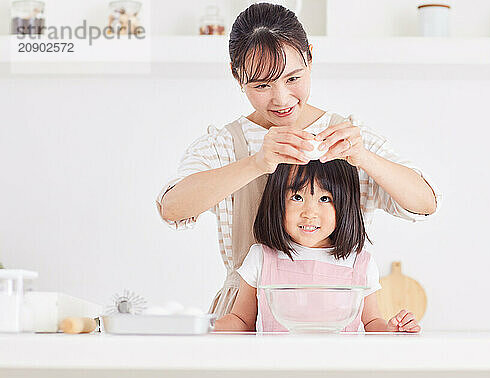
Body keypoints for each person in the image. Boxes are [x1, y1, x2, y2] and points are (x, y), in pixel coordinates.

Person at [156, 3, 441, 319]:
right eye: (262, 85)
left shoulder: (344, 135)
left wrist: (364, 157)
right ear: (237, 76)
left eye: (293, 78)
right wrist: (256, 163)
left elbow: (424, 202)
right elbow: (173, 207)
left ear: (310, 57)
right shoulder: (225, 144)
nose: (280, 98)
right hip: (245, 318)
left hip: (335, 316)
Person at [215, 159, 421, 332]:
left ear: (344, 204)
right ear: (277, 201)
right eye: (297, 197)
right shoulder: (261, 257)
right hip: (279, 367)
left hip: (339, 371)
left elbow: (372, 322)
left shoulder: (359, 262)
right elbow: (242, 320)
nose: (309, 213)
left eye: (324, 198)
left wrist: (393, 330)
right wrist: (206, 326)